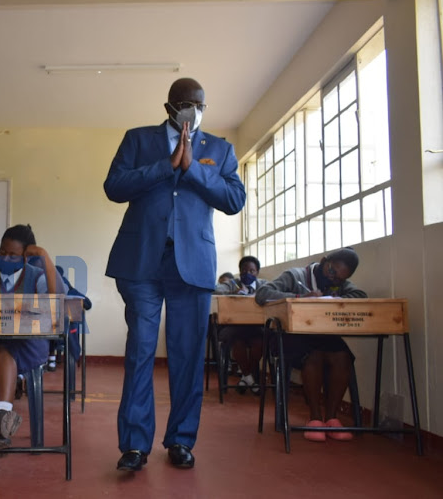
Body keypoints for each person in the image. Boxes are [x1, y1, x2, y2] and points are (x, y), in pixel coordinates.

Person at [104, 77, 246, 471]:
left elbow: (234, 199)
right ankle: (134, 445)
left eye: (199, 104)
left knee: (187, 356)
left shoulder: (219, 149)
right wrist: (166, 166)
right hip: (141, 262)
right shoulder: (138, 139)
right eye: (185, 103)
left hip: (193, 264)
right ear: (168, 106)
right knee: (140, 352)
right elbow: (114, 186)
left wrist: (193, 170)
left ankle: (181, 439)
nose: (192, 110)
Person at [254, 247, 367, 442]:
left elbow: (360, 296)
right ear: (324, 262)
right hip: (287, 336)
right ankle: (314, 418)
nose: (333, 279)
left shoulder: (338, 283)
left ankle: (331, 418)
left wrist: (334, 299)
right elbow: (263, 294)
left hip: (320, 334)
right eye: (332, 272)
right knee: (314, 355)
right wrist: (299, 299)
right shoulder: (295, 275)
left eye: (339, 279)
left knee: (342, 356)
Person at [0, 224, 65, 449]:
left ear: (26, 257)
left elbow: (57, 300)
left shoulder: (37, 276)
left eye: (13, 255)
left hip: (28, 343)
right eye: (1, 252)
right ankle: (0, 427)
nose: (5, 258)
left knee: (5, 354)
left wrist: (44, 256)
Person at [213, 256, 267, 393]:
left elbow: (274, 294)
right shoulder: (233, 283)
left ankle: (245, 376)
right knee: (237, 342)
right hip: (236, 327)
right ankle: (250, 377)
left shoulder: (264, 285)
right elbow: (216, 289)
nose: (247, 274)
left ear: (257, 272)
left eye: (251, 271)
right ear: (239, 271)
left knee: (259, 343)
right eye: (244, 270)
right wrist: (232, 293)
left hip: (256, 327)